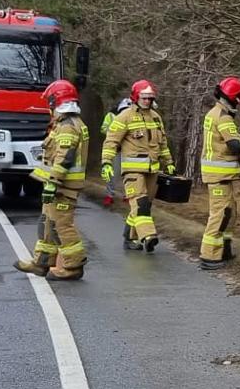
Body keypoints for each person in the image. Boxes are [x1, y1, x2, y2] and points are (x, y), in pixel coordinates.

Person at [14, 80, 90, 280]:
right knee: (47, 223)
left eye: (50, 102)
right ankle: (41, 263)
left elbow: (65, 158)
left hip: (63, 186)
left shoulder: (68, 127)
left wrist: (52, 183)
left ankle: (73, 267)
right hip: (58, 185)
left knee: (61, 226)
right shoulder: (66, 124)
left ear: (56, 101)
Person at [198, 76, 240, 271]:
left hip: (219, 177)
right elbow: (236, 146)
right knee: (220, 215)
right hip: (219, 177)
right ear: (234, 97)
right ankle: (209, 256)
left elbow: (229, 137)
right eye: (239, 98)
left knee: (230, 213)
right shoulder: (224, 117)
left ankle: (224, 250)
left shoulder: (215, 113)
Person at [101, 80, 174, 252]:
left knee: (144, 205)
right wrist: (106, 162)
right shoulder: (124, 117)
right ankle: (148, 236)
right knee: (140, 203)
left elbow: (163, 143)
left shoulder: (156, 117)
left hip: (152, 170)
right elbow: (111, 141)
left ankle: (129, 237)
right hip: (132, 171)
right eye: (144, 98)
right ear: (135, 97)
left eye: (150, 98)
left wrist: (169, 162)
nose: (147, 101)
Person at [100, 97, 131, 207]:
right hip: (115, 149)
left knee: (129, 174)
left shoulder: (134, 118)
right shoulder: (111, 116)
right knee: (112, 173)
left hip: (128, 150)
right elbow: (103, 129)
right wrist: (114, 132)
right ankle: (110, 195)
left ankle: (128, 195)